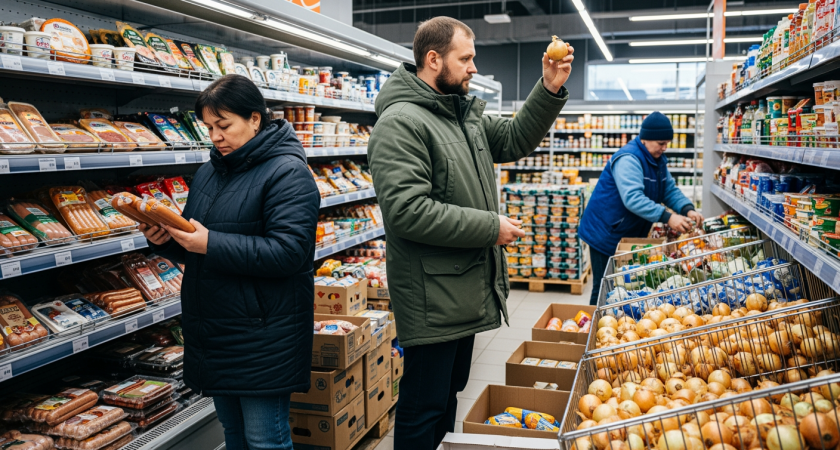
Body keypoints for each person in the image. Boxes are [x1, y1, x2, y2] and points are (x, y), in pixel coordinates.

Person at [368, 16, 573, 450]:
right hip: (431, 297)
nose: (474, 68)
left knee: (447, 397)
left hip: (461, 289)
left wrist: (549, 87)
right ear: (433, 59)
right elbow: (406, 212)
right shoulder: (401, 122)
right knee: (423, 406)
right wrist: (490, 227)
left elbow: (515, 139)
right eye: (467, 59)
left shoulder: (462, 115)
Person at [139, 74, 320, 450]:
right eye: (209, 128)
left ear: (255, 118)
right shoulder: (209, 172)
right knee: (234, 436)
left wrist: (210, 243)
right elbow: (197, 242)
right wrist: (166, 241)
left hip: (264, 333)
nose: (216, 136)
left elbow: (290, 253)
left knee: (265, 439)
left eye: (224, 125)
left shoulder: (288, 173)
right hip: (216, 331)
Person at [580, 112, 704, 306]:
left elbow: (668, 189)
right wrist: (668, 217)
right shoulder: (629, 159)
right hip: (605, 232)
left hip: (625, 232)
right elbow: (633, 198)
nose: (664, 148)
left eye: (667, 143)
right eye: (661, 143)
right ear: (645, 138)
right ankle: (591, 330)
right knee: (604, 286)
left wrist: (688, 209)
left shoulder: (657, 160)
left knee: (622, 287)